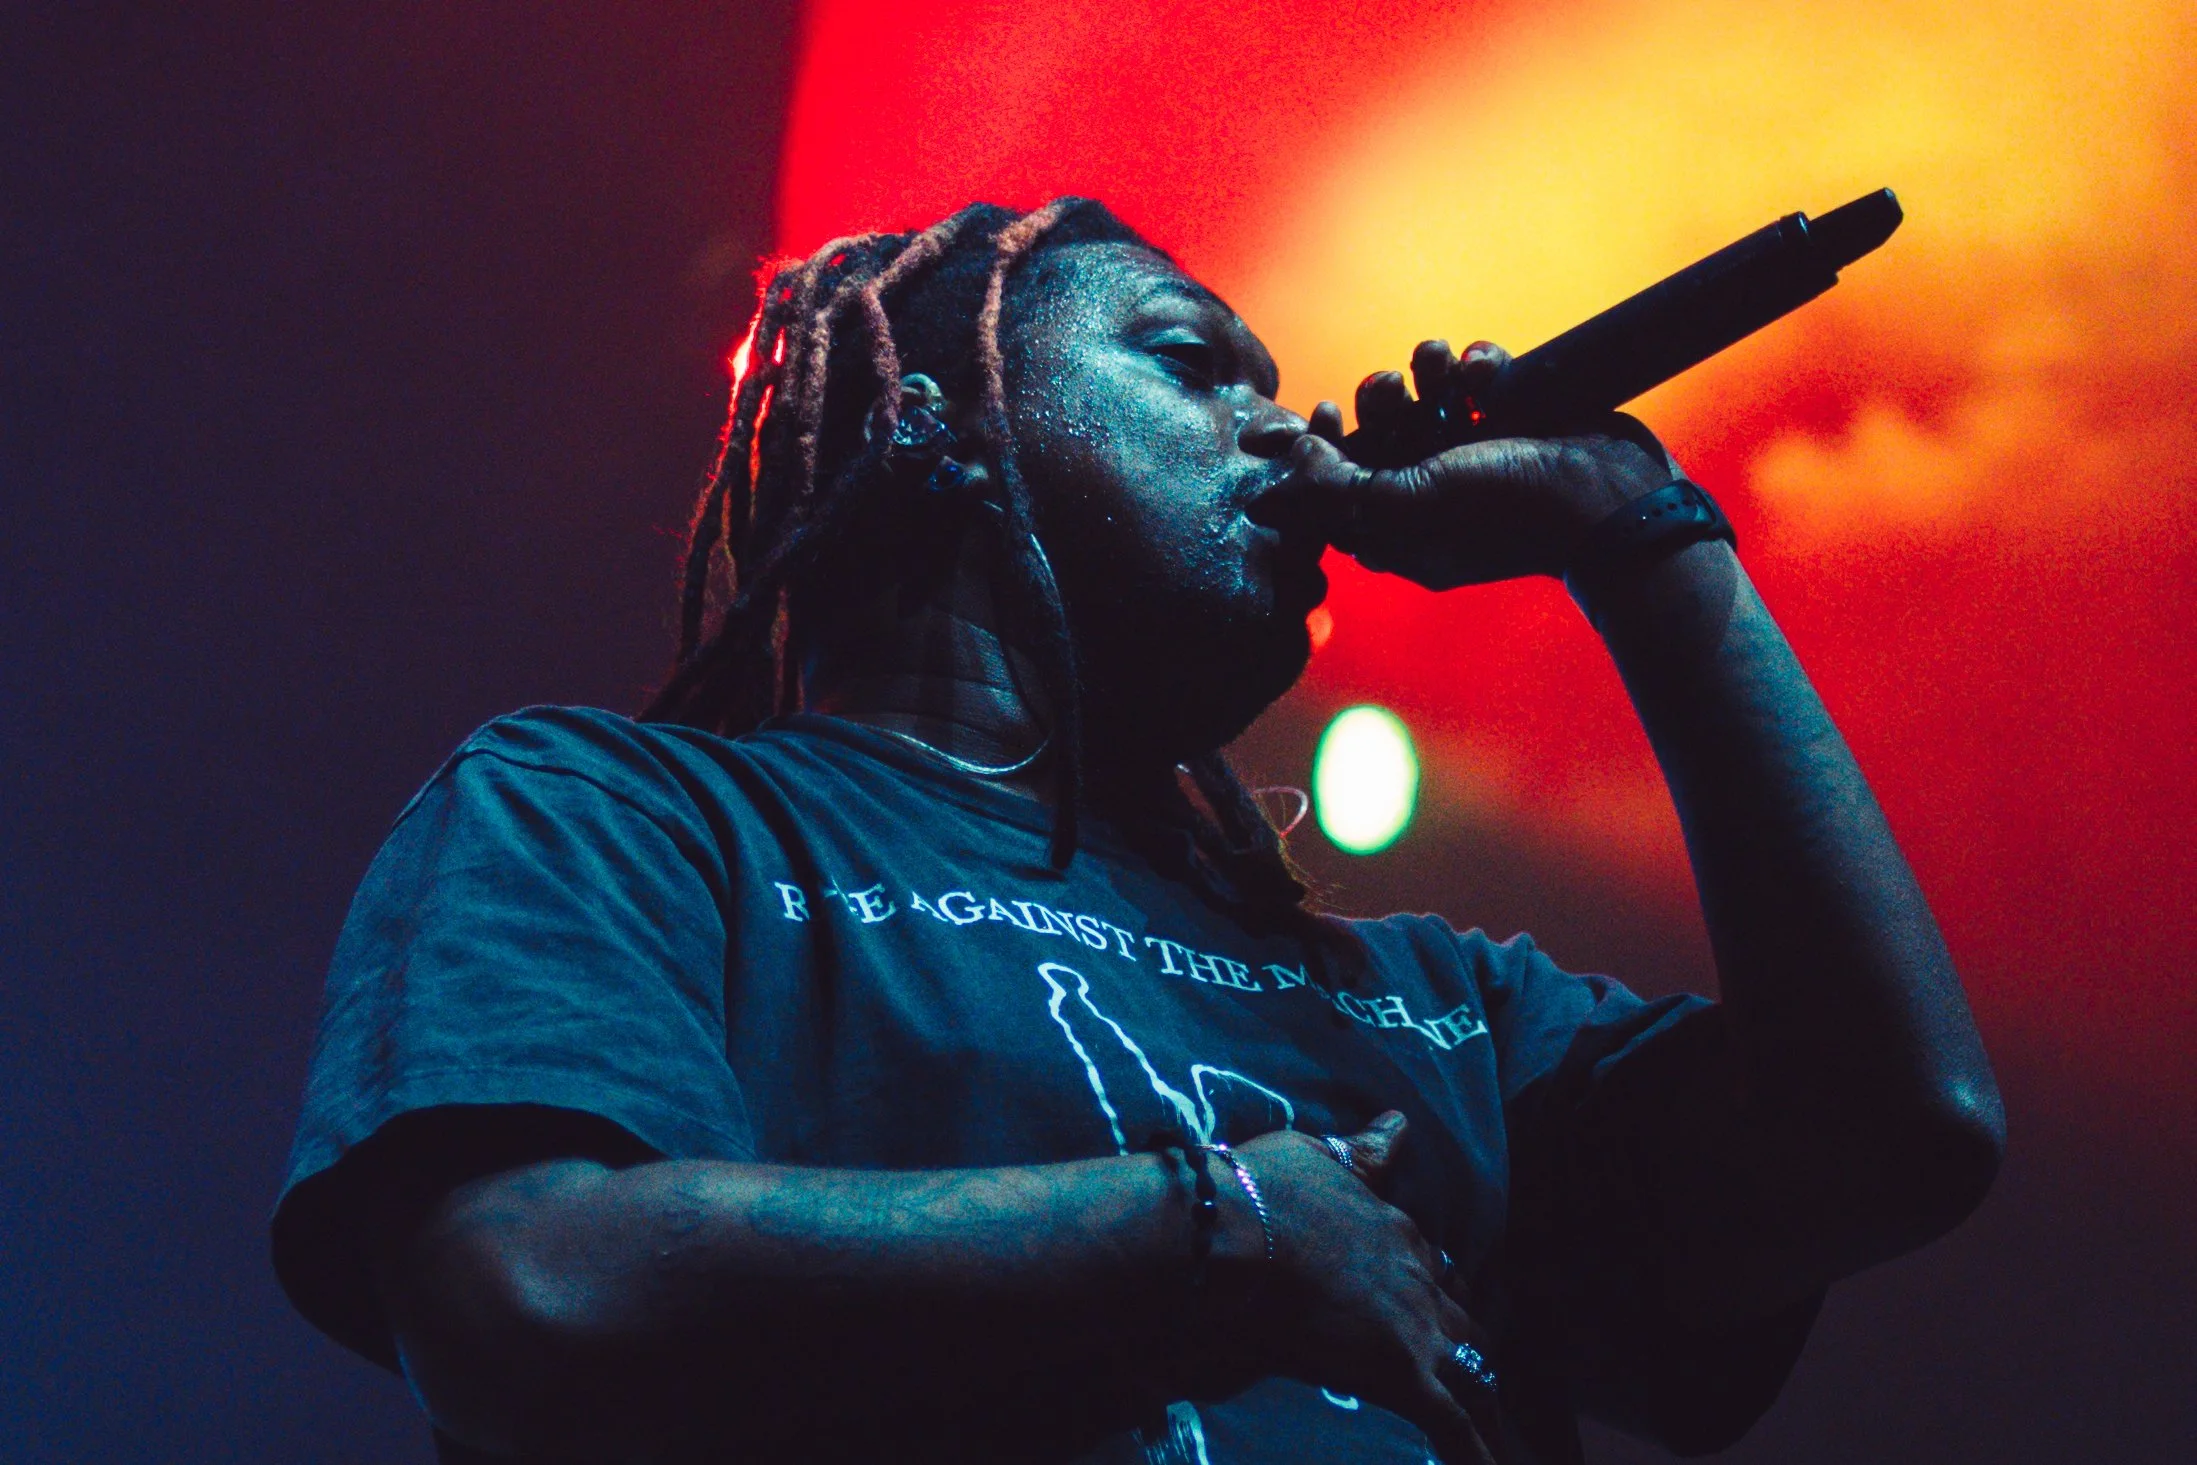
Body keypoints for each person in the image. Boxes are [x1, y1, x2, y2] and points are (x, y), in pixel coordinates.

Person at [270, 199, 2004, 1465]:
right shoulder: (627, 822)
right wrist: (1218, 1227)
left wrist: (1643, 538)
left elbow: (1898, 1134)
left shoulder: (1444, 1005)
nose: (1281, 422)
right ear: (920, 421)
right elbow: (524, 1291)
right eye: (1189, 365)